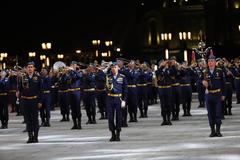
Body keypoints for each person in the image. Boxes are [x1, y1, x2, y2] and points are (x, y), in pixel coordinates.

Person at [16, 61, 42, 143]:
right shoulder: (23, 78)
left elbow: (40, 91)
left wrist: (40, 101)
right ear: (26, 69)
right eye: (28, 67)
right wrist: (17, 92)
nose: (30, 68)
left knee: (35, 119)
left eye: (31, 67)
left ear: (34, 68)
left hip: (34, 100)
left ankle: (36, 136)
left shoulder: (38, 78)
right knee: (28, 119)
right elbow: (19, 89)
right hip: (25, 100)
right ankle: (30, 136)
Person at [202, 53, 225, 137]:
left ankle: (218, 131)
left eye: (212, 61)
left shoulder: (219, 71)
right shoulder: (205, 72)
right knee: (210, 113)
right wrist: (202, 83)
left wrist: (224, 94)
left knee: (218, 112)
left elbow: (223, 84)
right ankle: (212, 131)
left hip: (218, 94)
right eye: (209, 61)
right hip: (209, 95)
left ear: (215, 62)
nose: (210, 63)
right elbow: (199, 81)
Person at [106, 62, 128, 141]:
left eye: (115, 67)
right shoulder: (108, 77)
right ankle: (113, 134)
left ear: (118, 68)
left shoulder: (122, 77)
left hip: (119, 99)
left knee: (119, 117)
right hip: (110, 99)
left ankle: (118, 134)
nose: (113, 69)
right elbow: (107, 88)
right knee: (110, 118)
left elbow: (125, 90)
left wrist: (124, 100)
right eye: (112, 67)